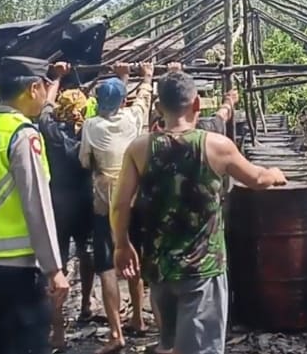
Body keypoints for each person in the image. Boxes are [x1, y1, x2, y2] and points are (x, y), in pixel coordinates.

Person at [112, 69, 288, 354]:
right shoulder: (217, 146)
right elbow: (257, 179)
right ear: (196, 105)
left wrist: (121, 244)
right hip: (202, 271)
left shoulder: (140, 148)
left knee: (169, 345)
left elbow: (120, 204)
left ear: (158, 108)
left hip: (159, 270)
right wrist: (275, 173)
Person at [0, 56, 69, 354]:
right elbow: (37, 204)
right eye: (45, 88)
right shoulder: (22, 135)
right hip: (20, 267)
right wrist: (54, 268)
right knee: (29, 345)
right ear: (33, 88)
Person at [80, 61, 155, 353]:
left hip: (105, 205)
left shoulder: (91, 126)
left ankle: (115, 332)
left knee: (107, 267)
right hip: (133, 201)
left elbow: (85, 160)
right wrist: (146, 76)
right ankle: (138, 318)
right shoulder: (131, 120)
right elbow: (143, 100)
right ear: (123, 101)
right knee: (134, 257)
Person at [38, 73, 97, 349]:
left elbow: (45, 109)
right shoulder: (90, 132)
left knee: (57, 264)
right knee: (86, 252)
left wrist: (57, 80)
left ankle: (58, 327)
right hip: (86, 201)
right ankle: (86, 303)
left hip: (58, 204)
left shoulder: (51, 133)